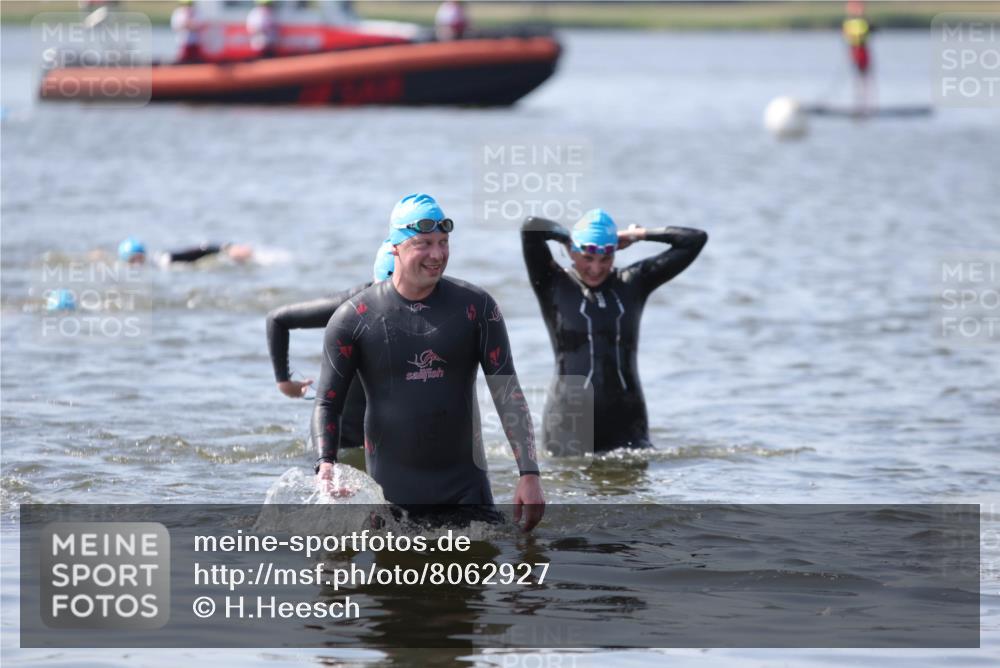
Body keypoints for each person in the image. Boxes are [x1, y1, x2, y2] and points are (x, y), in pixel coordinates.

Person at [312, 194, 544, 530]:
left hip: (469, 497)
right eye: (423, 243)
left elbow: (508, 393)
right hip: (392, 503)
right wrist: (326, 466)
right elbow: (326, 403)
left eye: (443, 242)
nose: (437, 255)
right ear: (395, 246)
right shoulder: (354, 318)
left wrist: (529, 474)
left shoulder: (477, 309)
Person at [521, 209, 707, 456]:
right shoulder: (552, 283)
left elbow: (694, 240)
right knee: (566, 490)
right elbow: (531, 228)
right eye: (587, 257)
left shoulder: (633, 283)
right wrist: (567, 237)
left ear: (615, 252)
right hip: (568, 423)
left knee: (633, 491)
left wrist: (637, 235)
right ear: (572, 252)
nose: (596, 268)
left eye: (605, 259)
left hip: (627, 422)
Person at [265, 242, 395, 456]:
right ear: (376, 282)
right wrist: (284, 382)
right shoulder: (353, 305)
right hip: (341, 442)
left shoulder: (430, 306)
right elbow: (277, 319)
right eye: (387, 291)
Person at [117, 237, 254, 266]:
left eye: (138, 258)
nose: (136, 264)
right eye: (132, 260)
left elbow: (196, 251)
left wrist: (226, 249)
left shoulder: (163, 260)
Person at [843, 0, 873, 114]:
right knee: (862, 77)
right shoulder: (861, 22)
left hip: (858, 51)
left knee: (862, 77)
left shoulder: (851, 22)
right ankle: (862, 103)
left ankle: (863, 102)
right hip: (859, 51)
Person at [170, 0, 203, 64]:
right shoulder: (178, 13)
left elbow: (199, 27)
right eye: (185, 4)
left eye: (189, 4)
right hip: (182, 44)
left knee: (195, 62)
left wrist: (187, 25)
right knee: (182, 61)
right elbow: (176, 27)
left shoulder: (198, 12)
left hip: (195, 44)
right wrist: (188, 25)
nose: (187, 7)